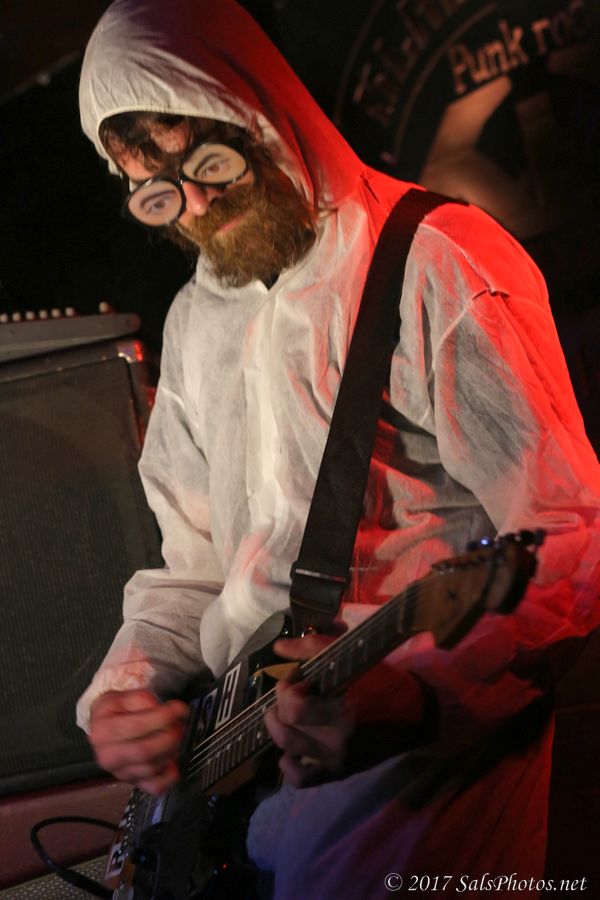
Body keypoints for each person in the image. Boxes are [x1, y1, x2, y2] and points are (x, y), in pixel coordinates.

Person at [76, 0, 600, 896]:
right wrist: (126, 692)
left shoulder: (437, 259)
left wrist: (423, 694)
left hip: (418, 788)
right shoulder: (196, 321)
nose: (194, 206)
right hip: (242, 788)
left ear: (257, 112)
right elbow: (195, 569)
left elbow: (572, 540)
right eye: (157, 191)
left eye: (207, 163)